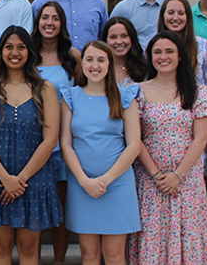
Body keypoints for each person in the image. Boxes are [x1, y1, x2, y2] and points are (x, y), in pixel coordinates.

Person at [0, 27, 62, 265]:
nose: (15, 52)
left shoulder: (46, 89)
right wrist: (6, 178)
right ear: (1, 51)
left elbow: (50, 139)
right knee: (0, 248)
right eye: (9, 47)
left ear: (30, 52)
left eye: (21, 47)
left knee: (29, 248)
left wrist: (20, 179)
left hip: (34, 178)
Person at [128, 32, 207, 264]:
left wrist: (177, 176)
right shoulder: (137, 91)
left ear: (180, 57)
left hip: (186, 182)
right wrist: (158, 176)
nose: (163, 56)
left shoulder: (198, 92)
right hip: (150, 181)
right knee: (153, 236)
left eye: (169, 51)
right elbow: (135, 138)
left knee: (187, 236)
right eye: (157, 52)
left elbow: (200, 139)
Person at [59, 41, 141, 265]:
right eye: (89, 59)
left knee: (114, 256)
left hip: (117, 186)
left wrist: (106, 179)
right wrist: (85, 180)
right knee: (89, 255)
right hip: (81, 184)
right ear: (82, 63)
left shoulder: (125, 97)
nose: (95, 66)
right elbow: (66, 143)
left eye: (101, 60)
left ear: (109, 63)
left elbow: (134, 145)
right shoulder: (71, 97)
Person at [30, 1, 79, 265]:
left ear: (62, 23)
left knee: (61, 207)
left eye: (55, 18)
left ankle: (59, 260)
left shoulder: (73, 56)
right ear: (37, 22)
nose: (50, 22)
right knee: (36, 206)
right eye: (45, 17)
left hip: (64, 141)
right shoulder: (28, 54)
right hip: (33, 140)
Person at [158, 0, 207, 126]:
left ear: (188, 16)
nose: (175, 18)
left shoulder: (205, 48)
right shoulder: (154, 48)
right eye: (171, 12)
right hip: (162, 124)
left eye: (181, 13)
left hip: (197, 123)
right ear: (163, 16)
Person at [102, 17, 148, 87]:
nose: (119, 42)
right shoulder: (98, 68)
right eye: (113, 37)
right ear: (105, 41)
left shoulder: (145, 68)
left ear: (132, 38)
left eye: (124, 36)